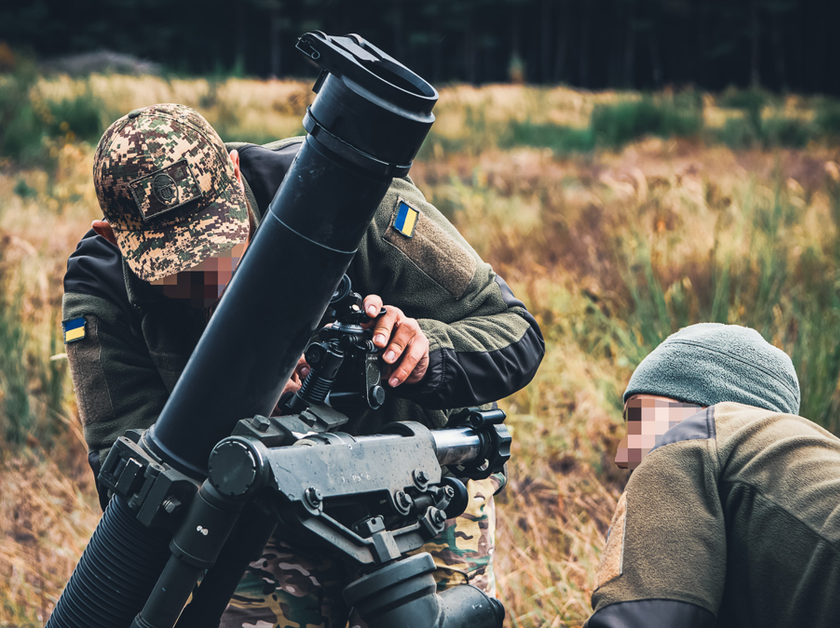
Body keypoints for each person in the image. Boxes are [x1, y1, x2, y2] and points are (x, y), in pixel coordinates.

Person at [62, 103, 545, 627]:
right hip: (257, 524)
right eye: (180, 270)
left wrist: (421, 354)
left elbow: (513, 332)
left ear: (236, 170)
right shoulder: (104, 282)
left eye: (222, 247)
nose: (213, 279)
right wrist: (243, 410)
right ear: (114, 237)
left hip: (419, 489)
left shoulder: (343, 194)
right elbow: (126, 482)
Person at [587, 323, 840, 628]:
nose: (624, 455)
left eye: (637, 419)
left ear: (693, 405)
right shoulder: (802, 466)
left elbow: (645, 619)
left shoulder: (695, 434)